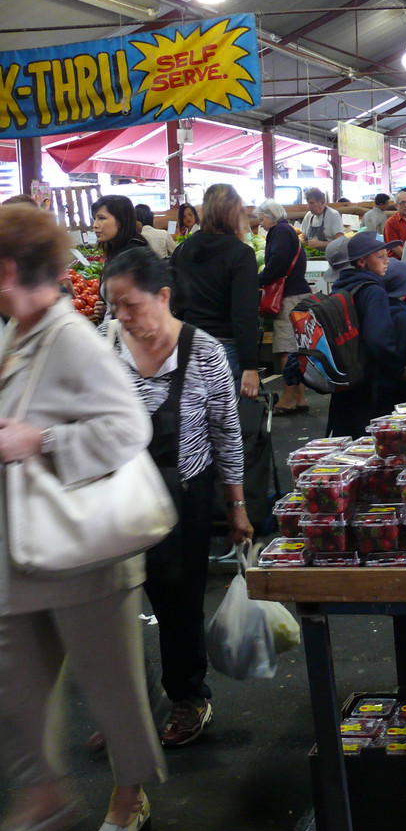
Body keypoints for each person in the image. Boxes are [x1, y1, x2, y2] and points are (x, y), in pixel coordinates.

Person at [0, 203, 165, 831]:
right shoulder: (18, 334)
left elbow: (129, 428)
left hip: (85, 547)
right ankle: (42, 798)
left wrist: (40, 441)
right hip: (24, 546)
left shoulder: (68, 336)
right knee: (15, 681)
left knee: (112, 687)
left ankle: (129, 799)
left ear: (8, 270)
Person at [101, 249, 251, 752]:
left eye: (130, 304)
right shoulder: (105, 346)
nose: (121, 315)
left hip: (181, 497)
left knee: (178, 604)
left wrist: (236, 506)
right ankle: (129, 706)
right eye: (114, 305)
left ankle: (188, 697)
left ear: (163, 296)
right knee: (113, 604)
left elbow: (226, 432)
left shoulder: (203, 352)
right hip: (117, 495)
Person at [172, 184, 260, 400]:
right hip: (225, 349)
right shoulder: (241, 254)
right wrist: (250, 365)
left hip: (188, 345)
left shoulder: (183, 250)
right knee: (226, 417)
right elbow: (244, 312)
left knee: (192, 416)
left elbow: (174, 302)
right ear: (234, 213)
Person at [326, 232, 406, 437]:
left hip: (346, 379)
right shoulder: (374, 291)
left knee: (347, 441)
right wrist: (399, 368)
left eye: (386, 255)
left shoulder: (341, 286)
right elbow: (378, 340)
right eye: (380, 256)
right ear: (362, 262)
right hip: (369, 382)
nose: (386, 261)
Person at [255, 199, 311, 414]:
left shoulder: (279, 232)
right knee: (297, 348)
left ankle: (288, 399)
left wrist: (260, 279)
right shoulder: (288, 231)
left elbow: (277, 262)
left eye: (262, 218)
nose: (261, 223)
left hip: (289, 297)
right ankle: (300, 398)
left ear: (271, 216)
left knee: (287, 349)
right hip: (297, 293)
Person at [91, 195, 148, 323]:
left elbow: (138, 308)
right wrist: (108, 308)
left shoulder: (133, 257)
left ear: (120, 221)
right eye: (95, 218)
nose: (95, 225)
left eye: (102, 218)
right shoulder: (116, 253)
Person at [383, 189, 406, 256]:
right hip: (397, 259)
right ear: (396, 206)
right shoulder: (391, 223)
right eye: (402, 203)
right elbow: (395, 247)